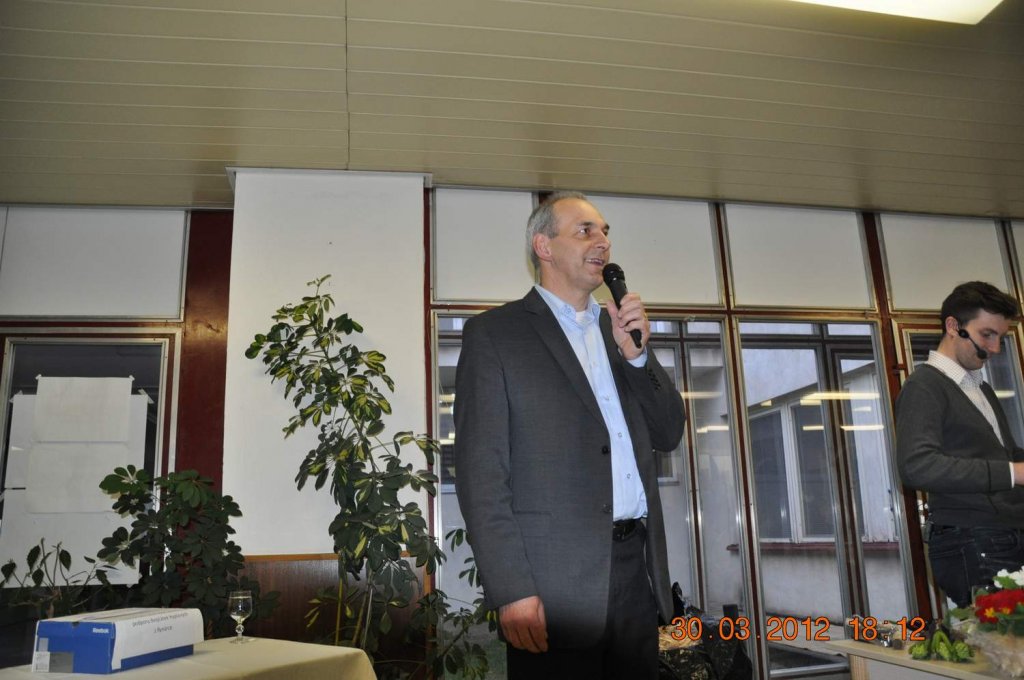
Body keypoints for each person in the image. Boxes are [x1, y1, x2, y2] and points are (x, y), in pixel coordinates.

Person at [453, 191, 686, 679]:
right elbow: (481, 476)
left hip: (635, 572)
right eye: (585, 230)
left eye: (605, 231)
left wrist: (638, 358)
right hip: (551, 586)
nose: (602, 241)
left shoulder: (617, 331)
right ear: (544, 246)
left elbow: (668, 432)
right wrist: (513, 589)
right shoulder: (495, 335)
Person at [896, 280, 1024, 607]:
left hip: (997, 533)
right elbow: (917, 466)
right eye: (987, 335)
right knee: (1000, 636)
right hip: (973, 537)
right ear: (953, 327)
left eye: (1000, 337)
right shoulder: (924, 386)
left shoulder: (980, 388)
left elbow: (1004, 456)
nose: (995, 348)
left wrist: (1015, 466)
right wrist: (1014, 472)